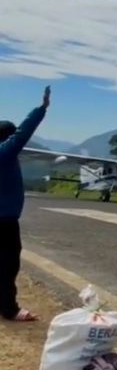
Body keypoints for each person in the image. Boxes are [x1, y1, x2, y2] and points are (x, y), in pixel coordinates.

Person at [0, 86, 51, 322]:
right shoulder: (5, 153)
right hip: (5, 221)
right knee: (9, 265)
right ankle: (9, 309)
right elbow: (23, 132)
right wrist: (41, 109)